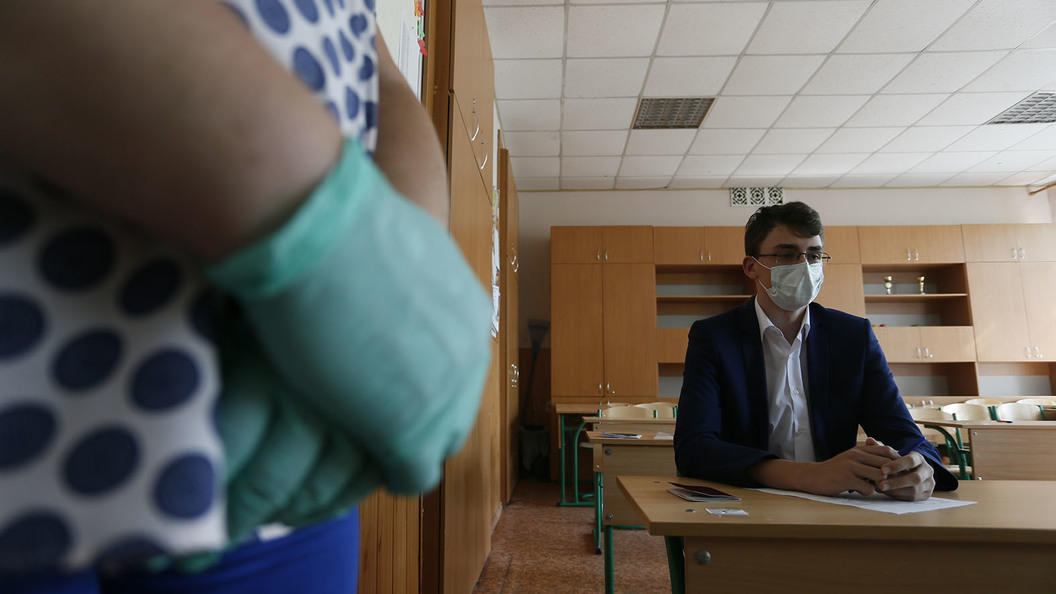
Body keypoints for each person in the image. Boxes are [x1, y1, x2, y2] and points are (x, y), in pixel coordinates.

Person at [0, 1, 491, 592]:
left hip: (287, 453)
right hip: (29, 429)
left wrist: (399, 267)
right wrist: (319, 220)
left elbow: (379, 71)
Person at [673, 202, 957, 501]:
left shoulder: (853, 336)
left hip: (837, 505)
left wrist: (918, 468)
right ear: (751, 267)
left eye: (813, 255)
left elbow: (905, 434)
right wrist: (810, 475)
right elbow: (694, 448)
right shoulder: (715, 337)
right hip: (749, 501)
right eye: (786, 255)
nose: (803, 266)